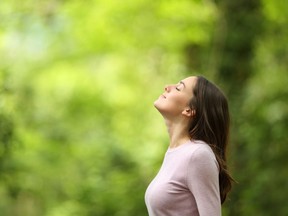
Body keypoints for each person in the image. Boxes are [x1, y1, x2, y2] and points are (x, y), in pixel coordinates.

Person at [145, 75, 234, 216]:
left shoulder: (197, 154)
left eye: (178, 88)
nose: (167, 87)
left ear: (189, 110)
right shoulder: (175, 153)